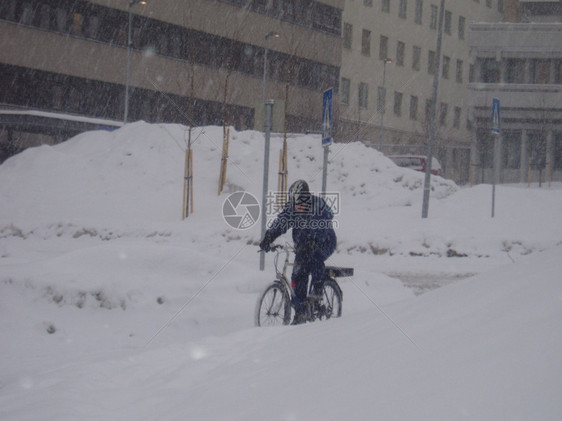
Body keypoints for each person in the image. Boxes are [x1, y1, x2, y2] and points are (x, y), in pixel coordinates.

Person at [259, 180, 337, 324]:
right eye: (294, 202)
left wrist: (315, 240)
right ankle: (300, 312)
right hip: (303, 246)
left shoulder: (318, 206)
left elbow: (325, 222)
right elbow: (282, 221)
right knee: (298, 273)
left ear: (306, 197)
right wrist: (269, 236)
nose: (298, 206)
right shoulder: (293, 208)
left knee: (315, 259)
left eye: (300, 202)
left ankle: (318, 291)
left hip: (325, 242)